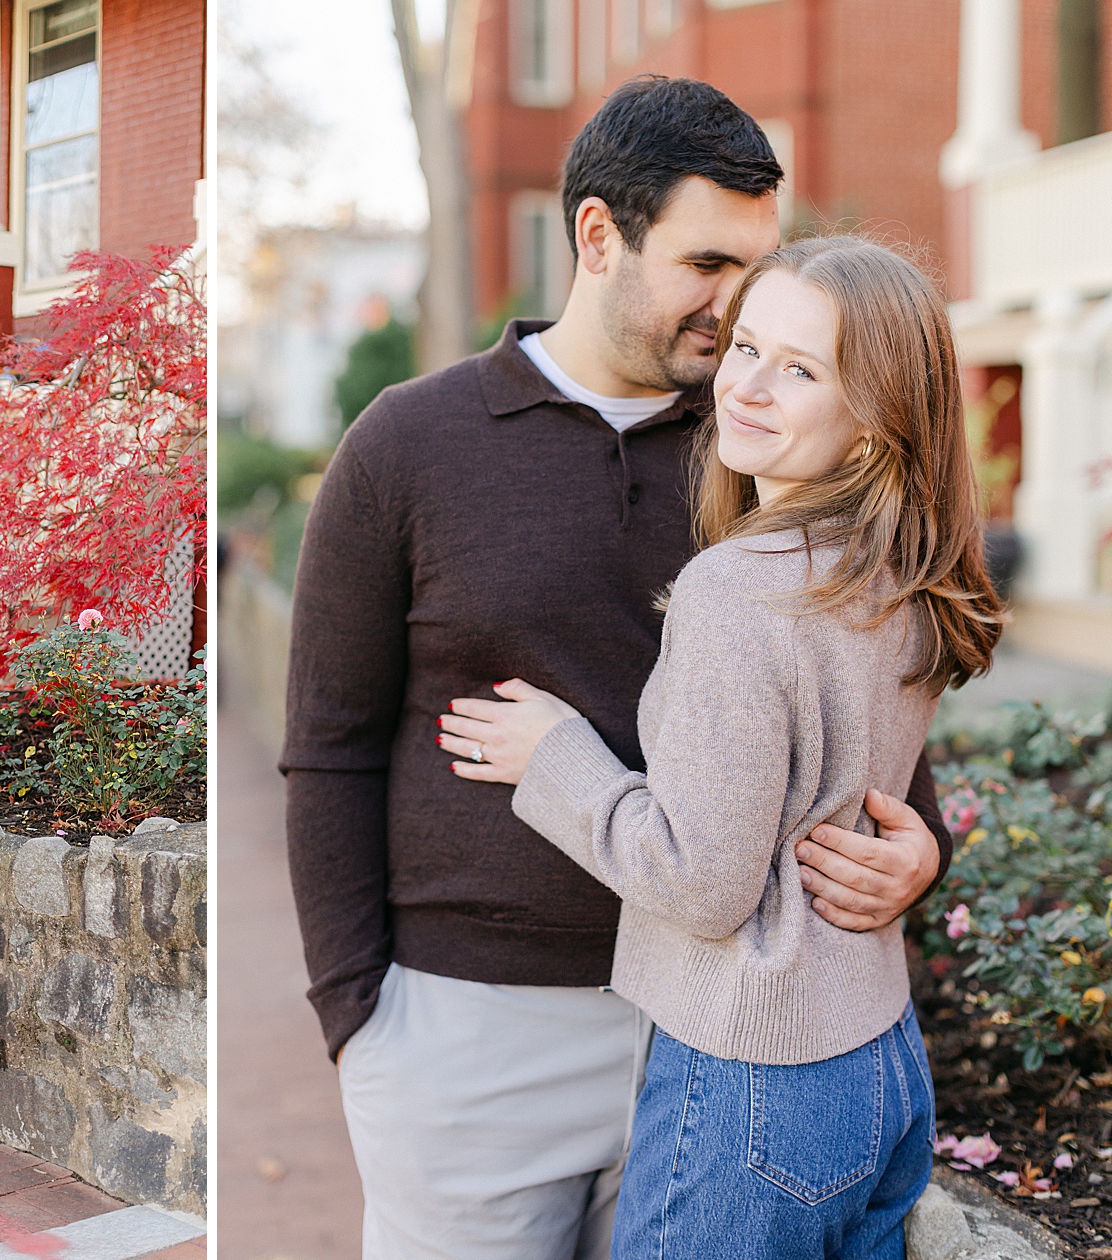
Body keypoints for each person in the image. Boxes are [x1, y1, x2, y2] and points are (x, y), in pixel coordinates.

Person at [281, 77, 954, 1260]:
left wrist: (921, 846)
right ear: (599, 234)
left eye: (756, 267)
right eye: (707, 265)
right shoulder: (409, 441)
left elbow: (858, 690)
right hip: (475, 1033)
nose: (736, 311)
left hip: (729, 1031)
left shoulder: (774, 438)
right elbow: (329, 741)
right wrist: (358, 1012)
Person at [437, 235, 1002, 1256]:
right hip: (881, 1060)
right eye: (747, 347)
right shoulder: (904, 575)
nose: (747, 385)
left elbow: (704, 882)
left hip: (753, 1074)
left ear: (875, 422)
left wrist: (556, 756)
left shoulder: (739, 592)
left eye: (801, 369)